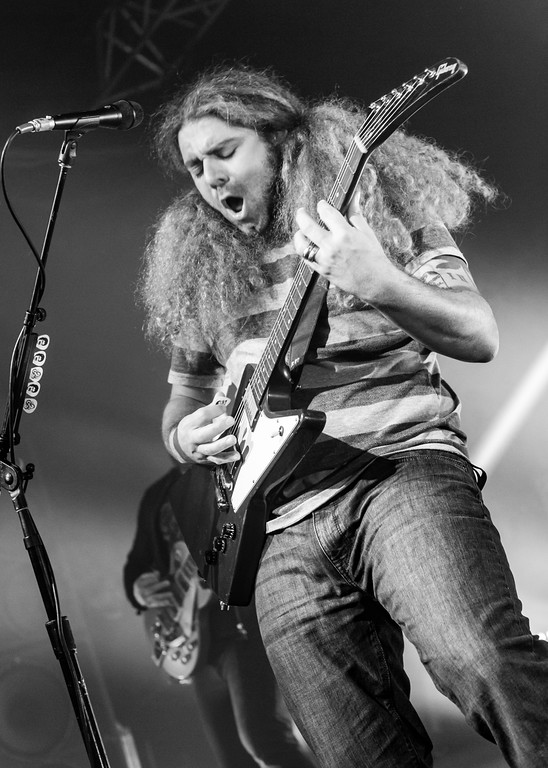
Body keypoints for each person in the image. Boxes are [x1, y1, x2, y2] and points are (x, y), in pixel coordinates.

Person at [139, 63, 548, 768]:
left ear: (281, 140)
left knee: (482, 659)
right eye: (195, 166)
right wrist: (186, 435)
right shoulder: (205, 267)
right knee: (354, 750)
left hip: (398, 471)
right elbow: (184, 398)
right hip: (277, 531)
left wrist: (379, 279)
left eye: (225, 152)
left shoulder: (378, 210)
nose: (209, 177)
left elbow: (477, 334)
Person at [123, 463, 316, 768]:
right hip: (198, 642)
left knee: (266, 740)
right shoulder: (157, 495)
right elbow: (136, 562)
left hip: (240, 624)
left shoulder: (228, 467)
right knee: (234, 759)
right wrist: (137, 588)